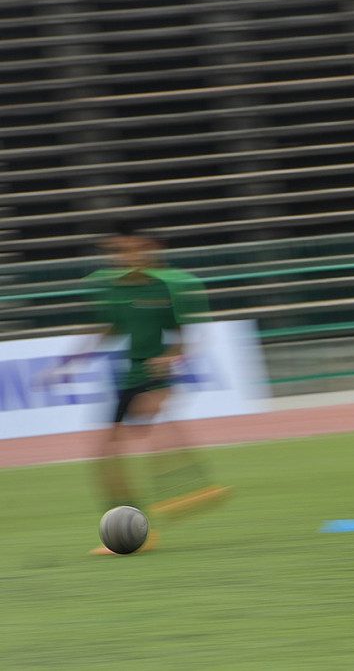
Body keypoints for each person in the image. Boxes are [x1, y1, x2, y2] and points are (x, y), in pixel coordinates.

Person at [49, 222, 231, 554]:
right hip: (128, 376)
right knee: (104, 456)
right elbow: (109, 328)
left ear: (150, 248)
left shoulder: (170, 287)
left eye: (134, 249)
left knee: (151, 416)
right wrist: (70, 363)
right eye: (118, 251)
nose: (127, 256)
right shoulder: (108, 288)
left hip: (158, 373)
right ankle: (137, 526)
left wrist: (168, 359)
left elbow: (186, 338)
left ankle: (189, 488)